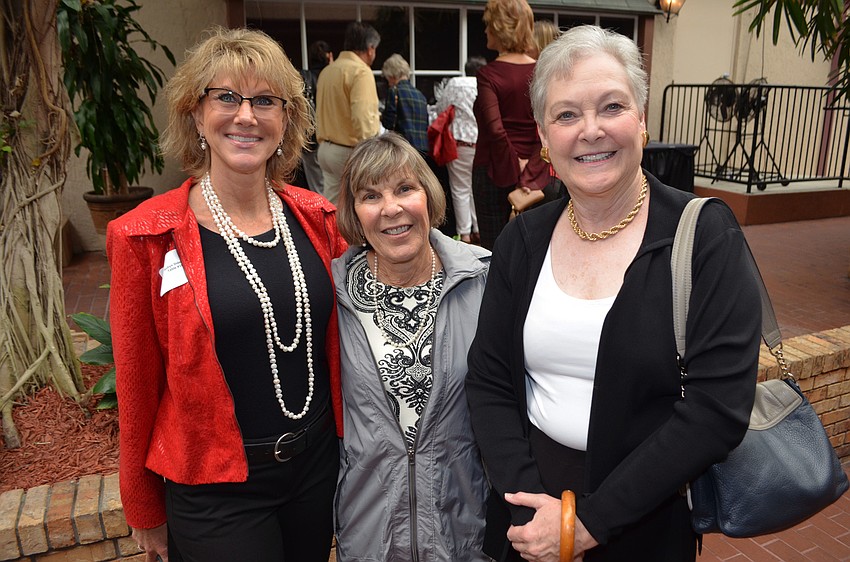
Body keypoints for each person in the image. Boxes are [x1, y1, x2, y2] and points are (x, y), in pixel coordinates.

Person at [465, 25, 762, 562]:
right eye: (567, 114)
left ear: (643, 118)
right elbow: (488, 379)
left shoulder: (703, 237)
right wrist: (534, 512)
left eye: (611, 107)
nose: (591, 130)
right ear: (543, 134)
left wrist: (588, 525)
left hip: (643, 521)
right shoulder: (523, 239)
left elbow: (717, 409)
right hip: (528, 520)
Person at [107, 27, 347, 562]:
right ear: (196, 114)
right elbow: (137, 383)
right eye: (226, 97)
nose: (246, 116)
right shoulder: (145, 235)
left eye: (265, 101)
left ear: (285, 120)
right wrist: (143, 506)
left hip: (315, 472)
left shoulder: (318, 218)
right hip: (215, 489)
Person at [332, 132, 491, 561]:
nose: (391, 208)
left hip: (464, 526)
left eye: (405, 188)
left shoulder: (482, 282)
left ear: (428, 195)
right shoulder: (331, 293)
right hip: (370, 531)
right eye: (370, 195)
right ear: (354, 213)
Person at [473, 0, 552, 250]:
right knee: (535, 250)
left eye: (488, 25)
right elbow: (549, 125)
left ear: (500, 28)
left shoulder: (489, 75)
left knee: (493, 253)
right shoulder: (543, 72)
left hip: (493, 171)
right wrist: (529, 171)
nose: (485, 31)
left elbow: (496, 130)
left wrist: (516, 169)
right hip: (538, 174)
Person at [316, 21, 381, 205]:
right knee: (363, 206)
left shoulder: (328, 71)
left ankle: (330, 235)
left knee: (333, 207)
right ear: (370, 49)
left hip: (326, 150)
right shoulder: (361, 72)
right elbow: (363, 118)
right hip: (349, 151)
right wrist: (372, 153)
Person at [435, 56, 486, 244]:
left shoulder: (456, 84)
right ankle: (479, 228)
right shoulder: (485, 83)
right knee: (476, 187)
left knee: (460, 189)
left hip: (459, 143)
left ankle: (465, 234)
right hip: (481, 142)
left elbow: (441, 107)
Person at [299, 40, 333, 193]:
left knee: (317, 187)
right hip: (333, 139)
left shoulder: (304, 78)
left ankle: (321, 215)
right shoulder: (334, 79)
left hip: (311, 138)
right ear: (330, 56)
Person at [380, 54, 429, 153]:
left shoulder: (394, 91)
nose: (388, 81)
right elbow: (426, 124)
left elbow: (389, 122)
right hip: (422, 149)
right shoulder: (420, 95)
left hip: (403, 147)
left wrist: (380, 116)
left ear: (392, 74)